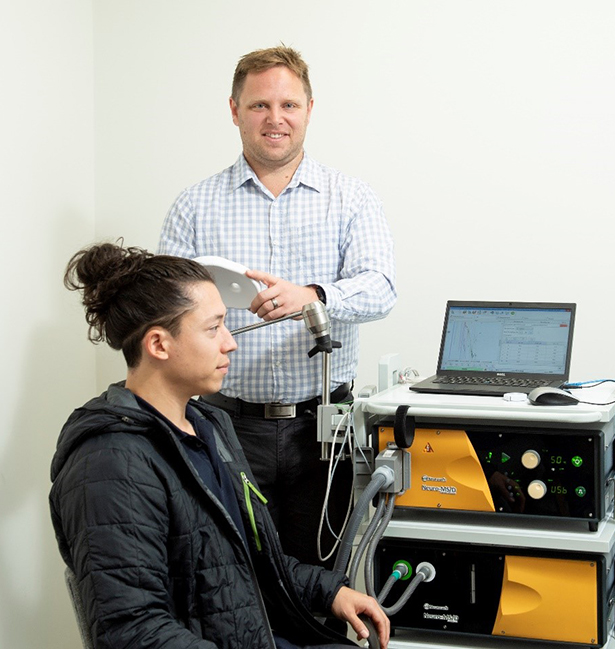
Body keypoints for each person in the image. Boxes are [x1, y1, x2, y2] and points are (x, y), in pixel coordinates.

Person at [49, 242, 390, 649]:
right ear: (159, 344)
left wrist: (329, 590)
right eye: (213, 329)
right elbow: (133, 632)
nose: (230, 343)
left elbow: (250, 560)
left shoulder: (209, 424)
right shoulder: (109, 465)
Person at [158, 45, 397, 567]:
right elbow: (161, 309)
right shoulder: (194, 205)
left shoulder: (351, 198)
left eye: (288, 105)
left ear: (310, 109)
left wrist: (312, 296)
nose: (275, 118)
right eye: (260, 105)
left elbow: (380, 287)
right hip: (222, 426)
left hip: (322, 432)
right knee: (226, 574)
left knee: (318, 577)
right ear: (235, 110)